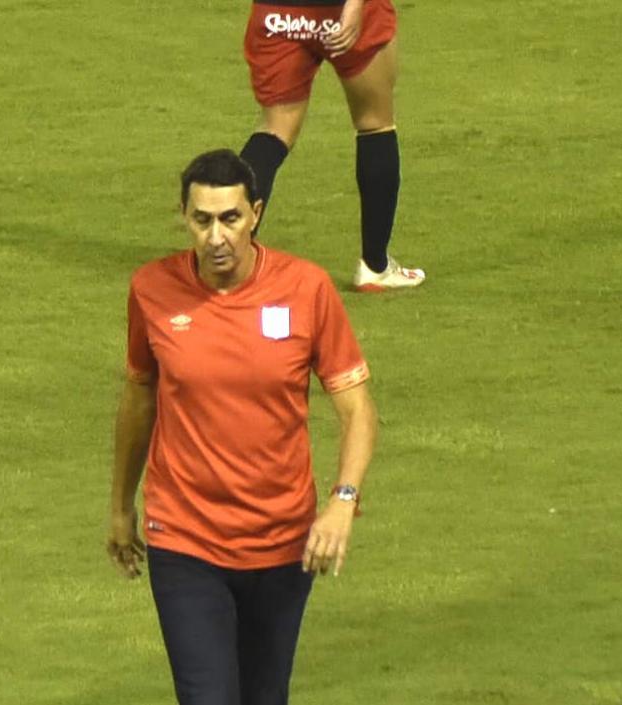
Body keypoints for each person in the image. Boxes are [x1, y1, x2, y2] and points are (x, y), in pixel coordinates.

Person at [107, 150, 378, 705]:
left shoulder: (306, 289)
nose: (215, 237)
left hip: (282, 543)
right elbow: (139, 397)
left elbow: (357, 410)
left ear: (255, 212)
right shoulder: (152, 290)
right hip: (185, 539)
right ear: (183, 216)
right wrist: (119, 505)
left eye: (229, 218)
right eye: (201, 220)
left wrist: (343, 501)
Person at [238, 0, 425, 291]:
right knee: (375, 123)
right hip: (345, 10)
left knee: (275, 129)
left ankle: (232, 260)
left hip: (278, 13)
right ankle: (374, 267)